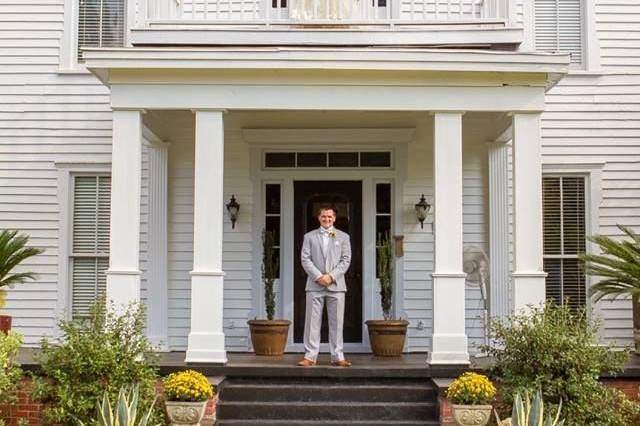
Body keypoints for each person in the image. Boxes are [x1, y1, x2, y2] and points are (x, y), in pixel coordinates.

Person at [298, 204, 352, 367]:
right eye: (323, 216)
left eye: (330, 216)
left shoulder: (343, 237)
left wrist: (331, 276)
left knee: (337, 322)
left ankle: (337, 356)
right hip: (315, 285)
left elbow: (346, 260)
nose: (326, 219)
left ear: (334, 218)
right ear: (318, 218)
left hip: (336, 286)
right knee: (312, 322)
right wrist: (319, 276)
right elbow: (305, 259)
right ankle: (310, 356)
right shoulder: (309, 237)